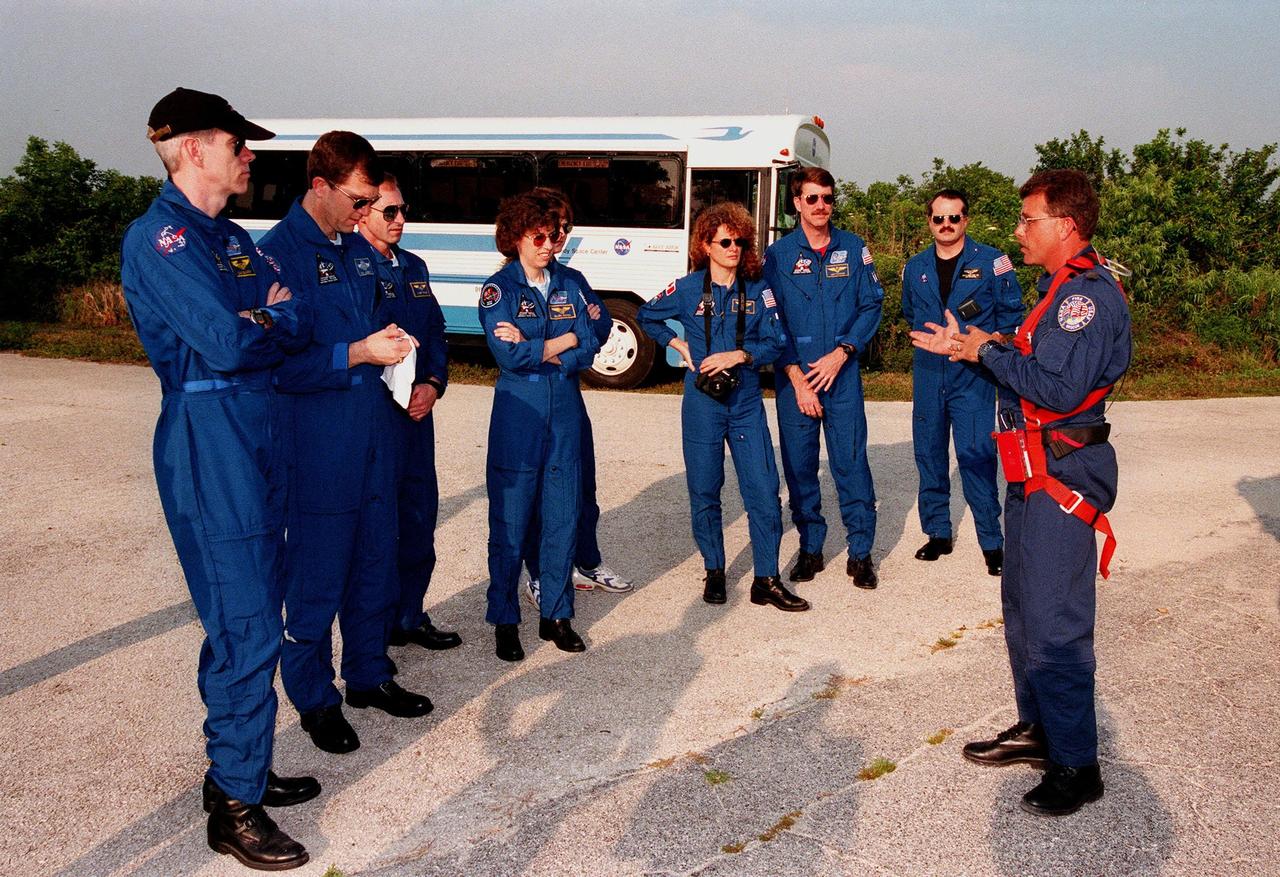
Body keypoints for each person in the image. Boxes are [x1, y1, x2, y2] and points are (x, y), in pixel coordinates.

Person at [121, 86, 315, 871]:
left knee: (257, 604)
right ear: (195, 148)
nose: (249, 155)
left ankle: (241, 764)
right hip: (210, 437)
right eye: (238, 143)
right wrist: (264, 319)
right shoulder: (159, 238)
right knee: (246, 623)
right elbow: (227, 343)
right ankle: (234, 802)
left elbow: (295, 315)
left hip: (257, 425)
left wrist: (261, 319)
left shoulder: (232, 237)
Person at [910, 169, 1131, 816]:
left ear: (1065, 225)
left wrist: (986, 353)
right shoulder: (1054, 291)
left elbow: (1058, 390)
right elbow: (1032, 363)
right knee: (1025, 612)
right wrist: (972, 346)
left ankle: (1076, 764)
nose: (1018, 231)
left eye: (1028, 219)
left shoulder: (1084, 299)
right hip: (1031, 474)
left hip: (1061, 478)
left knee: (1057, 624)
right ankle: (1040, 728)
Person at [261, 131, 433, 756]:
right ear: (320, 186)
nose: (366, 213)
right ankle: (314, 698)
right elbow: (275, 365)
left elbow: (377, 327)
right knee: (318, 576)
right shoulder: (276, 256)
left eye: (370, 203)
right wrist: (358, 352)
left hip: (373, 434)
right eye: (358, 201)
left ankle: (367, 673)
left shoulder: (357, 252)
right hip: (319, 446)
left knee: (374, 563)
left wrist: (393, 346)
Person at [638, 201, 805, 611]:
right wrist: (677, 345)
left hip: (745, 402)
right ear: (706, 245)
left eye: (740, 242)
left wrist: (741, 355)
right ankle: (714, 569)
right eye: (725, 242)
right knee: (704, 490)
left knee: (763, 490)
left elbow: (777, 341)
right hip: (702, 404)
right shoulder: (687, 288)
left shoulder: (759, 290)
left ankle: (766, 578)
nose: (734, 249)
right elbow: (646, 315)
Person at [480, 191, 603, 660]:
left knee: (562, 516)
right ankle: (504, 618)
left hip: (565, 407)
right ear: (516, 237)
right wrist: (561, 341)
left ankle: (556, 614)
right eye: (539, 236)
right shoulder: (500, 290)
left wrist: (551, 346)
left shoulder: (571, 282)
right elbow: (508, 355)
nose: (550, 244)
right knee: (510, 520)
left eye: (555, 236)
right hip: (520, 412)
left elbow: (591, 342)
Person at [355, 173, 462, 653]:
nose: (400, 220)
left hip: (417, 414)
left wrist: (433, 385)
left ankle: (409, 615)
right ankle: (373, 635)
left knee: (419, 516)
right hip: (375, 414)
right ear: (363, 212)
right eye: (390, 211)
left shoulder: (414, 266)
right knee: (378, 527)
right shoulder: (351, 264)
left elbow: (436, 332)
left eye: (403, 210)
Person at [764, 168, 884, 589]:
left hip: (841, 375)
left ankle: (861, 553)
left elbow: (871, 305)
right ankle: (811, 548)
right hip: (795, 379)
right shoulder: (777, 256)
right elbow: (770, 320)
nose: (821, 206)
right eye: (812, 198)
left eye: (828, 198)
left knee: (851, 463)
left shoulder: (853, 248)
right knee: (799, 468)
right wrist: (797, 378)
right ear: (797, 203)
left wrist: (842, 352)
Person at [901, 189, 1024, 576]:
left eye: (954, 217)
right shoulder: (915, 267)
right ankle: (938, 532)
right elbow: (910, 312)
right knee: (929, 454)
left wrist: (985, 344)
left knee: (977, 456)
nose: (946, 225)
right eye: (939, 218)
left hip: (972, 375)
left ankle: (992, 541)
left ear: (966, 220)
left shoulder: (992, 262)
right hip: (929, 372)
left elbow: (1011, 320)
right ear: (929, 222)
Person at [521, 187, 634, 608]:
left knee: (582, 484)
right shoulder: (514, 282)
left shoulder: (573, 279)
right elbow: (518, 349)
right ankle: (537, 572)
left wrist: (562, 352)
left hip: (568, 392)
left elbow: (599, 329)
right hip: (531, 400)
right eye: (552, 229)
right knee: (536, 491)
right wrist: (560, 340)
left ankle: (586, 561)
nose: (559, 237)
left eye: (565, 228)